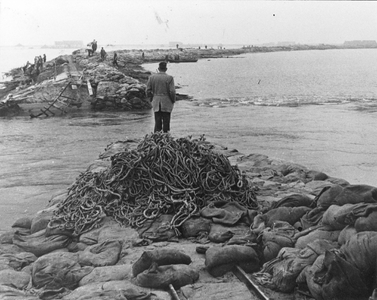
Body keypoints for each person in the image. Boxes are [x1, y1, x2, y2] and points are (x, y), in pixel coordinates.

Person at [146, 61, 176, 133]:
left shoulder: (151, 77)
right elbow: (172, 91)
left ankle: (156, 139)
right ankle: (166, 139)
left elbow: (147, 91)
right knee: (166, 122)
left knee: (157, 122)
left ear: (158, 68)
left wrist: (151, 99)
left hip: (156, 102)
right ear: (166, 69)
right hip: (167, 102)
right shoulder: (170, 78)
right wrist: (173, 100)